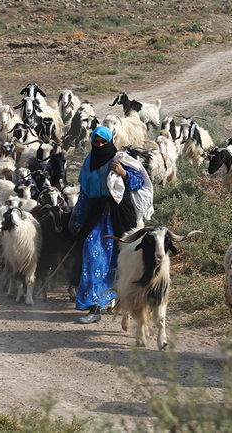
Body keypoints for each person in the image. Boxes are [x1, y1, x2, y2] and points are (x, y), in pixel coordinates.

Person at [71, 126, 145, 324]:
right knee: (91, 255)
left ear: (111, 142)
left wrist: (123, 174)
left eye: (104, 142)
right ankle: (94, 307)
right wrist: (80, 221)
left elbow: (139, 182)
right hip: (96, 215)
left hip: (120, 216)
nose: (100, 145)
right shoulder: (88, 163)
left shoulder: (120, 160)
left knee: (122, 260)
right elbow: (84, 195)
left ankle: (124, 302)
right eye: (96, 142)